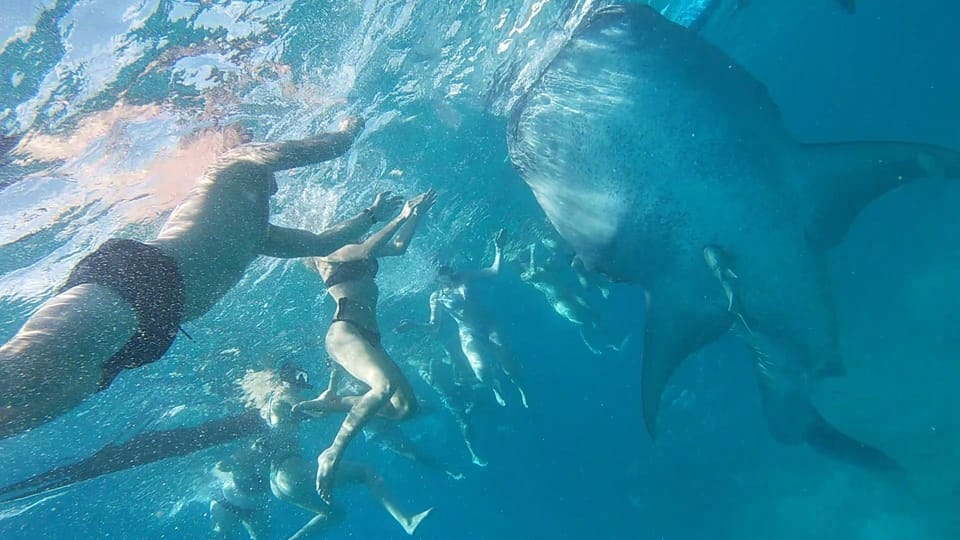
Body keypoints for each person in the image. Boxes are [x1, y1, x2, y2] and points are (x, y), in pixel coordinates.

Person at [0, 115, 391, 439]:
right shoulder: (235, 161)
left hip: (152, 327)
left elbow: (323, 242)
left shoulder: (260, 234)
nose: (277, 181)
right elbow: (317, 149)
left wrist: (371, 216)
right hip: (137, 279)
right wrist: (349, 129)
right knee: (25, 362)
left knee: (55, 392)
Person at [293, 190, 437, 502]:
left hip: (370, 337)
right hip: (346, 332)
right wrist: (399, 216)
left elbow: (398, 248)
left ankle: (335, 403)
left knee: (406, 409)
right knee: (383, 386)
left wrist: (415, 217)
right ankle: (332, 453)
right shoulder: (326, 253)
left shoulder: (345, 249)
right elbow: (365, 249)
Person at [238, 365, 433, 538]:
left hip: (278, 482)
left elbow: (314, 411)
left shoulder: (273, 403)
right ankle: (406, 520)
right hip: (292, 471)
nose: (302, 382)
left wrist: (331, 388)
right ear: (287, 377)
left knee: (335, 514)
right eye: (300, 377)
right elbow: (320, 411)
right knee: (365, 472)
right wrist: (334, 382)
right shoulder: (285, 393)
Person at [396, 229, 529, 409]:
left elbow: (493, 271)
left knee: (508, 362)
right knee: (481, 371)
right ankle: (494, 387)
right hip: (468, 333)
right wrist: (413, 325)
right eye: (443, 269)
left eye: (447, 266)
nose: (448, 270)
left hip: (489, 325)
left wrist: (499, 249)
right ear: (435, 276)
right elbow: (434, 326)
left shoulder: (464, 276)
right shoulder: (437, 297)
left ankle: (521, 388)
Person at [519, 242, 627, 354]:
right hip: (562, 303)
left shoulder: (542, 270)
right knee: (585, 322)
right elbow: (532, 274)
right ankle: (593, 345)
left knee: (594, 316)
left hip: (567, 296)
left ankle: (610, 341)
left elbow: (554, 263)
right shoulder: (531, 276)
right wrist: (531, 252)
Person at [210, 438, 273, 540]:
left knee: (260, 537)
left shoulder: (268, 456)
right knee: (222, 534)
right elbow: (221, 466)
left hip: (255, 509)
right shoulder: (240, 454)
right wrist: (235, 462)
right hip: (225, 502)